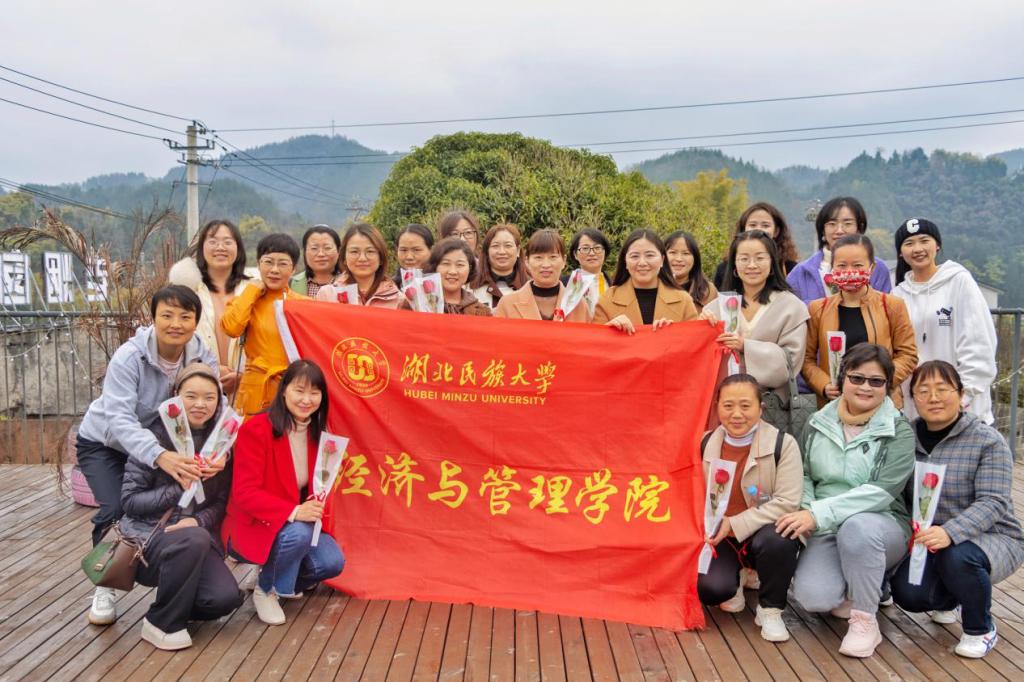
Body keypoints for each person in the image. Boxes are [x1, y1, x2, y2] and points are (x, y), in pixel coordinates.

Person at [76, 285, 219, 625]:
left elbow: (217, 401)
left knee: (178, 507)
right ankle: (105, 581)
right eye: (167, 315)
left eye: (185, 316)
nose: (176, 324)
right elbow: (120, 419)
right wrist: (159, 456)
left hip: (162, 445)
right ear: (153, 318)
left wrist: (219, 451)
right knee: (116, 508)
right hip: (107, 444)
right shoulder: (130, 357)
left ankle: (173, 582)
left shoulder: (201, 354)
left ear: (196, 321)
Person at [783, 344, 915, 658]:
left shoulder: (898, 430)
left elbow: (882, 492)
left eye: (876, 381)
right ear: (842, 379)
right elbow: (803, 473)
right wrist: (807, 508)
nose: (865, 387)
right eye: (857, 378)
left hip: (880, 524)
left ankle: (866, 620)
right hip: (826, 525)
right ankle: (864, 581)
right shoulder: (817, 422)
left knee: (858, 529)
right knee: (814, 598)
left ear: (887, 385)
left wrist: (818, 513)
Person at [890, 361, 1024, 659]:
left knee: (958, 557)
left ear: (961, 394)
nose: (933, 398)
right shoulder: (906, 438)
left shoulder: (987, 441)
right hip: (929, 540)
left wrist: (950, 532)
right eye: (923, 391)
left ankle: (980, 628)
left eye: (943, 389)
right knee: (908, 594)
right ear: (913, 399)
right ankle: (955, 596)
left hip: (991, 536)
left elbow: (994, 501)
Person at [120, 362, 243, 650]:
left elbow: (222, 502)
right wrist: (178, 487)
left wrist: (198, 522)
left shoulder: (221, 443)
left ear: (219, 401)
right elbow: (130, 501)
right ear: (176, 395)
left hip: (195, 538)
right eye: (191, 396)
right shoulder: (154, 437)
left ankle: (175, 599)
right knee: (194, 538)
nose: (200, 404)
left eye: (209, 397)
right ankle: (161, 623)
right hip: (150, 538)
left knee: (224, 599)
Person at [223, 360, 346, 626]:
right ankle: (265, 590)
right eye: (299, 390)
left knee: (331, 562)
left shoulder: (319, 433)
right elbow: (244, 493)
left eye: (314, 392)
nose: (306, 399)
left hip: (295, 525)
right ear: (283, 391)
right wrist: (294, 511)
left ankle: (273, 577)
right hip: (257, 523)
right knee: (299, 532)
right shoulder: (256, 429)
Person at [697, 374, 803, 643]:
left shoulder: (783, 444)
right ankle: (738, 577)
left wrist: (735, 523)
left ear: (760, 407)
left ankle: (771, 610)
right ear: (717, 407)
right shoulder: (705, 443)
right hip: (720, 535)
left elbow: (787, 502)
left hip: (762, 531)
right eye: (728, 405)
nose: (736, 414)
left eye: (745, 406)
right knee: (711, 589)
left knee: (780, 537)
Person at [892, 218, 998, 424]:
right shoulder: (897, 294)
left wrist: (963, 395)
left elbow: (978, 341)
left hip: (962, 406)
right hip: (918, 408)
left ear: (937, 245)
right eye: (909, 243)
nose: (918, 249)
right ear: (900, 252)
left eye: (924, 241)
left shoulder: (959, 281)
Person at [701, 231, 808, 433]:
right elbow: (699, 361)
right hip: (722, 411)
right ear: (734, 266)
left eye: (759, 258)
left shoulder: (792, 307)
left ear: (772, 263)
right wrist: (702, 329)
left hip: (770, 408)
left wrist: (745, 347)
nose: (751, 265)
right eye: (744, 259)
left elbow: (791, 362)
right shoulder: (715, 308)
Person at [803, 234, 917, 409]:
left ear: (872, 267)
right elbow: (806, 359)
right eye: (842, 265)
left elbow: (908, 354)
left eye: (857, 265)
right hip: (834, 404)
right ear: (832, 268)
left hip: (882, 403)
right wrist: (824, 385)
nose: (849, 271)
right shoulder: (818, 308)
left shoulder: (892, 305)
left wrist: (880, 380)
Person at [221, 233, 307, 419]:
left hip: (291, 388)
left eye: (283, 264)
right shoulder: (247, 300)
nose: (274, 270)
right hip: (255, 389)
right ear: (258, 264)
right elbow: (231, 328)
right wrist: (251, 290)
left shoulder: (304, 305)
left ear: (294, 269)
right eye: (268, 262)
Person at [168, 219, 251, 395]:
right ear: (202, 248)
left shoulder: (254, 290)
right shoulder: (186, 290)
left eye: (227, 242)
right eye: (213, 241)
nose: (220, 247)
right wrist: (212, 369)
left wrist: (244, 376)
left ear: (238, 248)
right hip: (198, 389)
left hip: (248, 390)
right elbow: (173, 339)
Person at [592, 228, 699, 333]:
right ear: (625, 261)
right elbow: (594, 341)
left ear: (662, 260)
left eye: (650, 255)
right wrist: (608, 330)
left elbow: (696, 340)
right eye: (635, 256)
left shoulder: (684, 301)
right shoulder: (607, 300)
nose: (642, 263)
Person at [787, 197, 891, 304]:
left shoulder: (878, 269)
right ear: (823, 230)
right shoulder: (801, 272)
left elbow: (884, 308)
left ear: (859, 228)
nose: (839, 230)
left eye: (848, 224)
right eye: (832, 224)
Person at [494, 229, 590, 322]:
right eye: (538, 258)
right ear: (527, 261)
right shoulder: (507, 304)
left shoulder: (579, 305)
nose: (546, 265)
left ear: (564, 261)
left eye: (553, 257)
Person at [713, 203, 799, 288]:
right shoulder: (724, 269)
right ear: (743, 230)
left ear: (776, 231)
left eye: (765, 225)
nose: (758, 229)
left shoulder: (790, 268)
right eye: (752, 225)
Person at [316, 223, 401, 308]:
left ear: (381, 258)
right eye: (354, 251)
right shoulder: (327, 295)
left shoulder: (399, 300)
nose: (362, 258)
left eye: (370, 251)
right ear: (344, 257)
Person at [399, 238, 491, 316]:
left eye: (460, 265)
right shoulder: (415, 303)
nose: (452, 271)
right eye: (446, 264)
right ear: (435, 266)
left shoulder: (482, 311)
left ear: (469, 268)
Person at [471, 223, 528, 309]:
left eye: (508, 246)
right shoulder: (471, 287)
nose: (502, 252)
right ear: (487, 251)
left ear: (518, 251)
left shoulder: (530, 287)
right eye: (495, 246)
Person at [665, 230, 718, 312]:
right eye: (673, 252)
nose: (679, 259)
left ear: (695, 258)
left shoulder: (708, 291)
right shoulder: (653, 287)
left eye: (686, 253)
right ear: (662, 256)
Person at [289, 225, 341, 298]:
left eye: (327, 248)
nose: (321, 254)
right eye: (314, 248)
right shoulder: (290, 284)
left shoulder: (351, 283)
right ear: (305, 252)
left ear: (339, 251)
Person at [565, 227, 612, 295]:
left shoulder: (615, 285)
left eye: (597, 248)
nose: (592, 253)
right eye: (585, 248)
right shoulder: (565, 285)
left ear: (605, 252)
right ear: (575, 254)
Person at [391, 223, 435, 288]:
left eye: (417, 250)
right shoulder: (390, 288)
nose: (409, 257)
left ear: (431, 250)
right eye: (403, 250)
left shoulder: (444, 283)